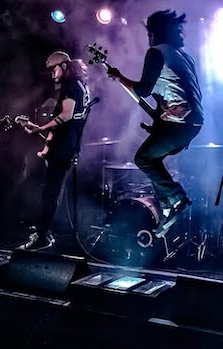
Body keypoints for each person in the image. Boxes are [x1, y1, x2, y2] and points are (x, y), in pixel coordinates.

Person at [107, 9, 202, 233]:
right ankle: (168, 204)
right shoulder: (183, 55)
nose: (148, 38)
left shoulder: (156, 53)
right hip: (192, 123)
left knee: (143, 158)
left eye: (149, 33)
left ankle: (176, 197)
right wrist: (159, 124)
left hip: (181, 124)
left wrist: (120, 77)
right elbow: (181, 92)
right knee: (153, 159)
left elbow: (143, 90)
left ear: (155, 33)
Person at [18, 51, 91, 251]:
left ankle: (42, 234)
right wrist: (46, 141)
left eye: (54, 69)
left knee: (50, 191)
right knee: (50, 190)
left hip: (64, 147)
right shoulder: (80, 86)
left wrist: (41, 128)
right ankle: (43, 230)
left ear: (65, 66)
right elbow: (66, 123)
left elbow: (66, 115)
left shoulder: (70, 85)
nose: (52, 73)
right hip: (66, 145)